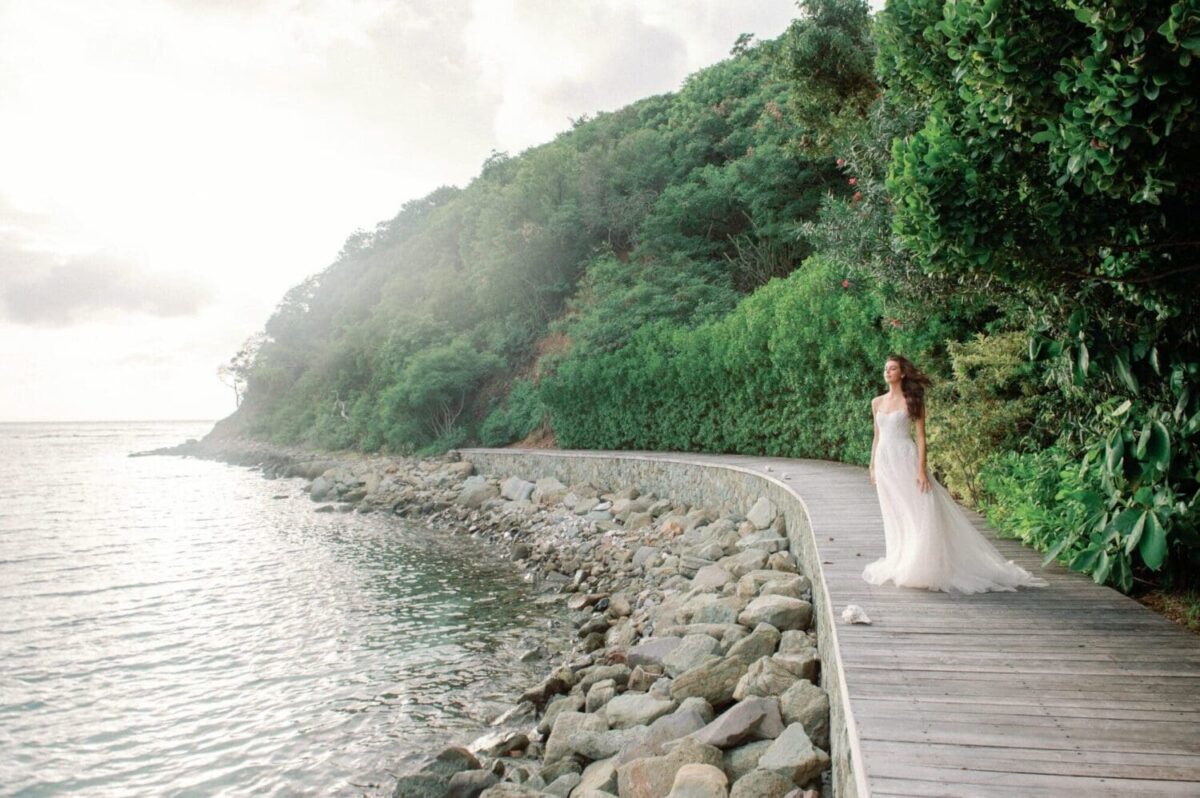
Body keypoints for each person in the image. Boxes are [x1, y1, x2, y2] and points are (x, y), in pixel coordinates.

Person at [862, 355, 1048, 593]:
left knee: (919, 507)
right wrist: (872, 465)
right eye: (886, 368)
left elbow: (921, 437)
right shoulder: (876, 402)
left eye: (893, 368)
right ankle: (900, 558)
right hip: (885, 462)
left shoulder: (912, 400)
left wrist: (921, 469)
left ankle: (921, 563)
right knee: (894, 511)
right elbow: (877, 436)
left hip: (906, 458)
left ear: (902, 373)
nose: (887, 372)